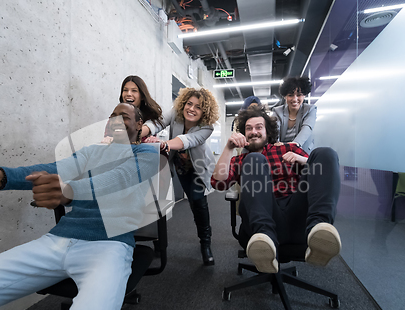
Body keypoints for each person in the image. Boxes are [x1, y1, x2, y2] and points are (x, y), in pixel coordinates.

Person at [0, 103, 158, 310]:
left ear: (139, 124)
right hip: (57, 241)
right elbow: (52, 169)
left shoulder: (148, 154)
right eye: (113, 116)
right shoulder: (91, 152)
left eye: (124, 116)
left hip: (110, 245)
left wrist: (68, 191)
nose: (117, 120)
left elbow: (119, 179)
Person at [211, 104, 341, 274]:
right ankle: (265, 242)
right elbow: (218, 183)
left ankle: (319, 230)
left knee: (326, 153)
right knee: (254, 159)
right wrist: (228, 148)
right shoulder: (241, 159)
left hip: (298, 217)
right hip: (262, 220)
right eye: (248, 128)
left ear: (268, 132)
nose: (254, 131)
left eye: (259, 127)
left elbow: (323, 172)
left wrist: (301, 160)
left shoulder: (288, 148)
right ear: (244, 133)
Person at [140, 87, 219, 266]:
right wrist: (140, 132)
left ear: (204, 111)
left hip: (198, 168)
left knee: (197, 202)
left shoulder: (207, 127)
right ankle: (159, 244)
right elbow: (157, 123)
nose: (191, 109)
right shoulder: (176, 113)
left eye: (197, 107)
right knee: (157, 199)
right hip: (180, 166)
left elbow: (187, 140)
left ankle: (205, 244)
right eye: (189, 104)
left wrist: (164, 144)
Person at [273, 76, 316, 153]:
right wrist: (277, 143)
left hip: (303, 151)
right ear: (285, 96)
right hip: (282, 152)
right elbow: (275, 130)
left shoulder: (310, 109)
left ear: (304, 95)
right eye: (290, 95)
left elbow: (307, 128)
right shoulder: (277, 111)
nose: (295, 99)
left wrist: (294, 145)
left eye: (299, 95)